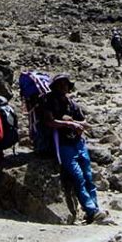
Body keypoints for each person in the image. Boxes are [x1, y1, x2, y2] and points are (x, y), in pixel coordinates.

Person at [42, 74, 106, 224]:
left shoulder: (71, 104)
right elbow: (49, 121)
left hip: (78, 143)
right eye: (60, 84)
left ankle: (94, 209)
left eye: (65, 84)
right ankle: (91, 209)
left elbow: (83, 120)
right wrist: (69, 125)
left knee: (88, 176)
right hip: (63, 145)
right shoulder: (49, 102)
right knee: (78, 177)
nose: (63, 87)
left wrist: (76, 123)